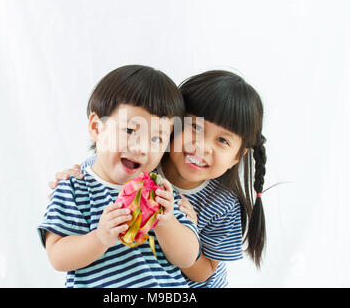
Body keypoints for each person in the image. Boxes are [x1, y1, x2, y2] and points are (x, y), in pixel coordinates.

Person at [51, 70, 267, 288]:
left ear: (237, 157)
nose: (201, 146)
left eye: (222, 140)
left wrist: (170, 223)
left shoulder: (217, 204)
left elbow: (202, 272)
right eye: (194, 127)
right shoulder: (139, 166)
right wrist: (71, 175)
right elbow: (99, 170)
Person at [38, 65, 200, 288]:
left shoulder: (161, 192)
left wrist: (166, 222)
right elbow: (57, 256)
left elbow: (188, 257)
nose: (141, 147)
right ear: (97, 127)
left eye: (156, 139)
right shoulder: (73, 187)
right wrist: (99, 238)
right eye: (130, 131)